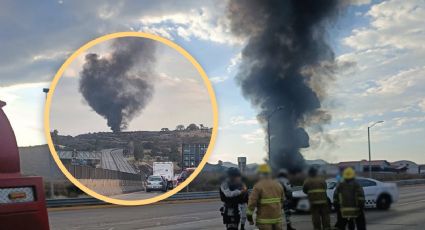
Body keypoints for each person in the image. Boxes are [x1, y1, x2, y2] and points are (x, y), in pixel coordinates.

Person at [247, 163, 284, 230]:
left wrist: (249, 217)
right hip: (277, 220)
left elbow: (252, 203)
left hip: (264, 221)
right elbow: (282, 201)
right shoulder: (278, 185)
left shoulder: (258, 186)